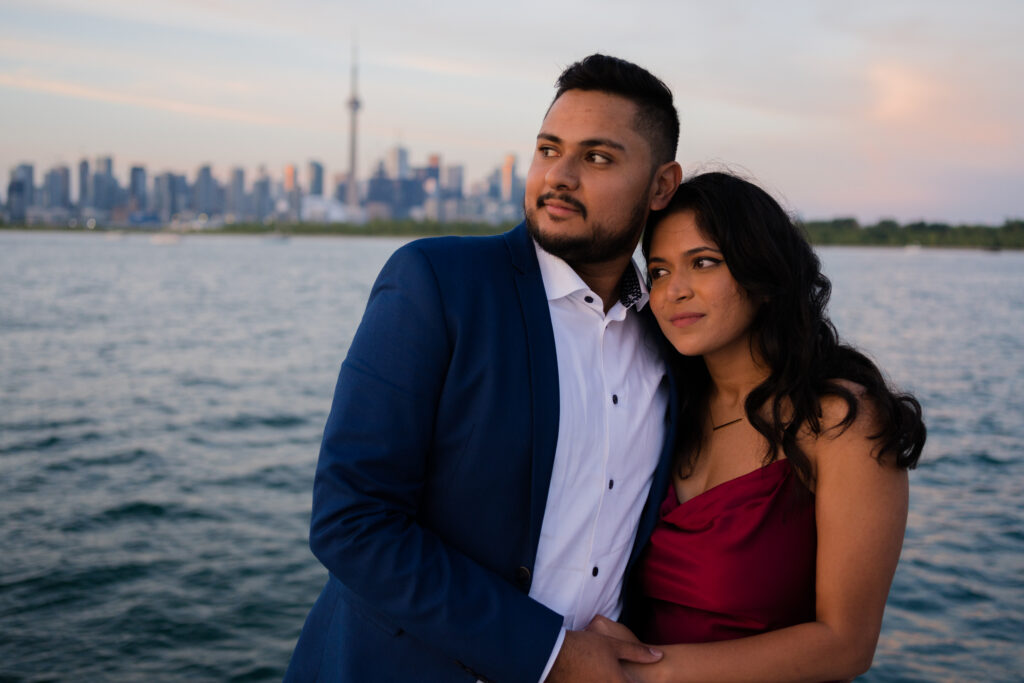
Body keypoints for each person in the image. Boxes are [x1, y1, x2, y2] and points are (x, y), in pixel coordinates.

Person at [284, 54, 683, 682]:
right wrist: (550, 654)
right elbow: (351, 520)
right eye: (549, 149)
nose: (560, 175)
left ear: (662, 185)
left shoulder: (669, 336)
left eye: (598, 158)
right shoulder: (438, 283)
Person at [586, 171, 926, 682]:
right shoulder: (664, 406)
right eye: (657, 272)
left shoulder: (838, 423)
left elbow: (847, 645)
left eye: (703, 263)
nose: (673, 291)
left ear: (762, 275)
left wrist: (646, 674)